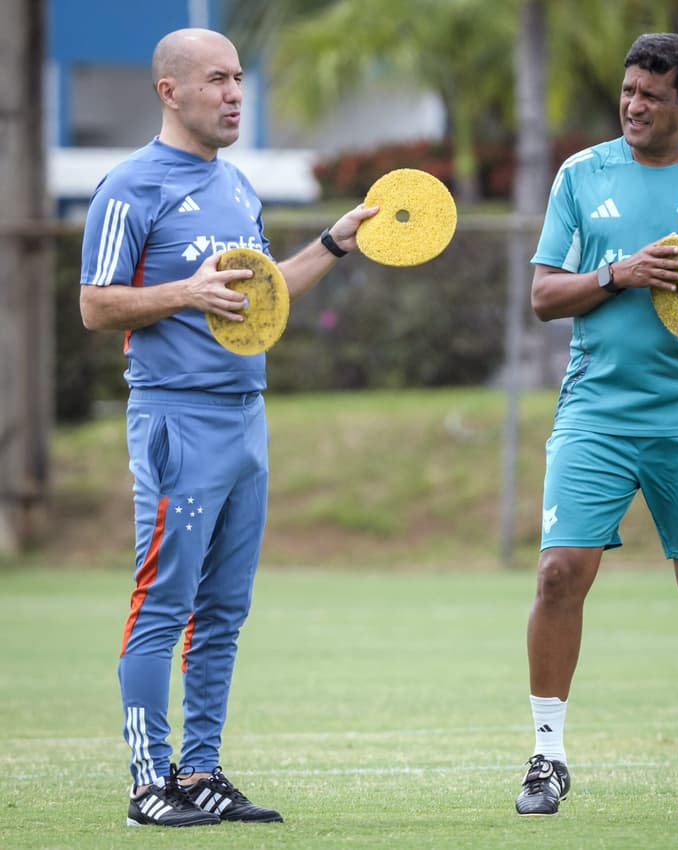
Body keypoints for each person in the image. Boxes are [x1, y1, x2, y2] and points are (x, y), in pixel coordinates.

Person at [79, 28, 377, 828]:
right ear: (169, 91)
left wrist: (333, 244)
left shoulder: (239, 186)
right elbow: (96, 304)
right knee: (162, 602)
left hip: (247, 420)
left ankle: (201, 770)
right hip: (176, 417)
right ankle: (149, 785)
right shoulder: (130, 186)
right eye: (217, 79)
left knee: (224, 610)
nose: (235, 93)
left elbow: (266, 295)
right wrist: (186, 292)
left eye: (240, 78)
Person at [514, 33, 678, 820]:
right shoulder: (581, 175)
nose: (633, 105)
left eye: (651, 95)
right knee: (559, 573)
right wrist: (615, 273)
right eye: (628, 90)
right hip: (596, 409)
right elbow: (542, 297)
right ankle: (547, 756)